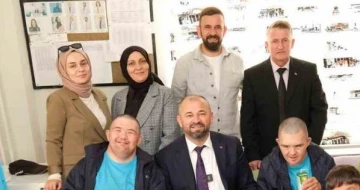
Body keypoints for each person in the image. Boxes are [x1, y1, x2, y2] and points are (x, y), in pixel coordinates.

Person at [56, 115, 167, 190]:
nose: (123, 136)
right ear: (108, 135)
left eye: (130, 132)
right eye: (118, 130)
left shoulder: (149, 167)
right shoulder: (87, 164)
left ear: (139, 139)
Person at [241, 20, 328, 170]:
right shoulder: (252, 76)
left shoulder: (308, 71)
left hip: (303, 154)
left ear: (292, 43)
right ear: (267, 45)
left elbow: (319, 112)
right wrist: (253, 154)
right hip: (266, 156)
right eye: (275, 41)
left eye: (285, 40)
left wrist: (309, 146)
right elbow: (248, 119)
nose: (280, 46)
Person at [155, 95, 258, 190]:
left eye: (202, 113)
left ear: (211, 117)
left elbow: (248, 185)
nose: (196, 120)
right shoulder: (165, 157)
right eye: (189, 115)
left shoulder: (231, 145)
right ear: (180, 121)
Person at [45, 44, 111, 190]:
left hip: (103, 168)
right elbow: (53, 139)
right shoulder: (58, 99)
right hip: (77, 171)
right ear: (64, 70)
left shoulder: (99, 95)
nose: (80, 69)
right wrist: (54, 174)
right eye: (72, 66)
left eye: (83, 63)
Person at [171, 7, 244, 137]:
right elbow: (176, 104)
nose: (213, 32)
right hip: (197, 139)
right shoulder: (184, 63)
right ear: (199, 31)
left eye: (217, 27)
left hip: (231, 139)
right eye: (207, 27)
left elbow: (250, 99)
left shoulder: (237, 61)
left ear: (224, 30)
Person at [111, 46, 180, 155]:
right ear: (125, 68)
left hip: (155, 162)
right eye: (131, 63)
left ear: (148, 64)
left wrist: (153, 163)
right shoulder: (118, 98)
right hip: (124, 161)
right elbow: (116, 137)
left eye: (142, 61)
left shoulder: (165, 94)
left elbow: (171, 137)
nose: (138, 67)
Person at [257, 117, 334, 190]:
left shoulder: (324, 160)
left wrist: (321, 188)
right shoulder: (268, 164)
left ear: (308, 142)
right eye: (286, 146)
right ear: (278, 143)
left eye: (298, 146)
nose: (292, 152)